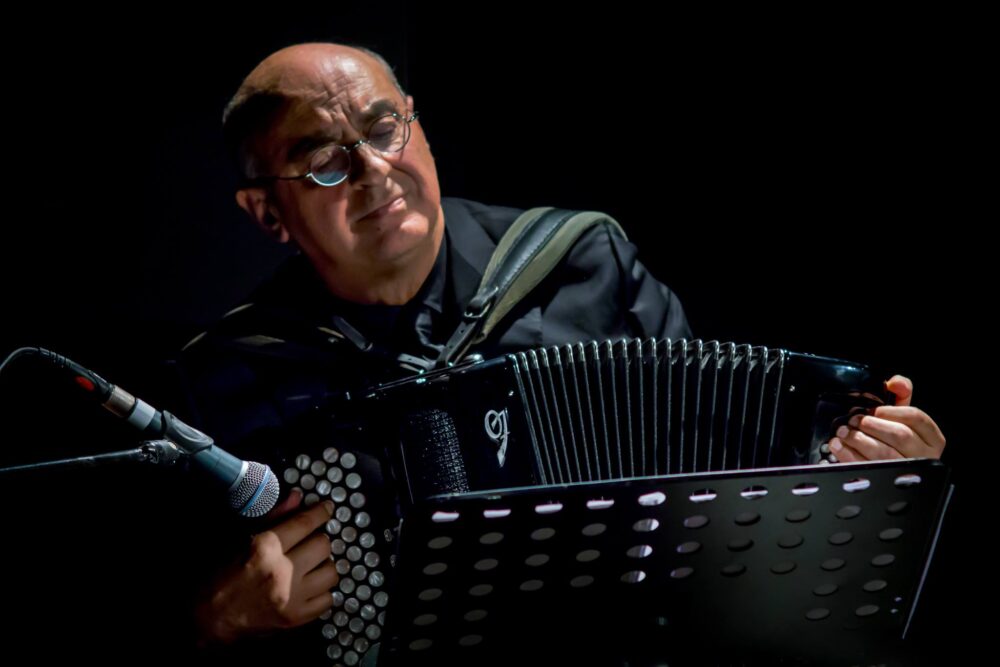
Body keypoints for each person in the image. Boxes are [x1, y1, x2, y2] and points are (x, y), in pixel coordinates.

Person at [178, 42, 947, 661]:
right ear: (267, 211)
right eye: (325, 160)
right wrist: (216, 615)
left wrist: (867, 471)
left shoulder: (581, 261)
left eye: (385, 130)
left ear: (418, 125)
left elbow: (728, 480)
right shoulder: (233, 371)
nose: (374, 170)